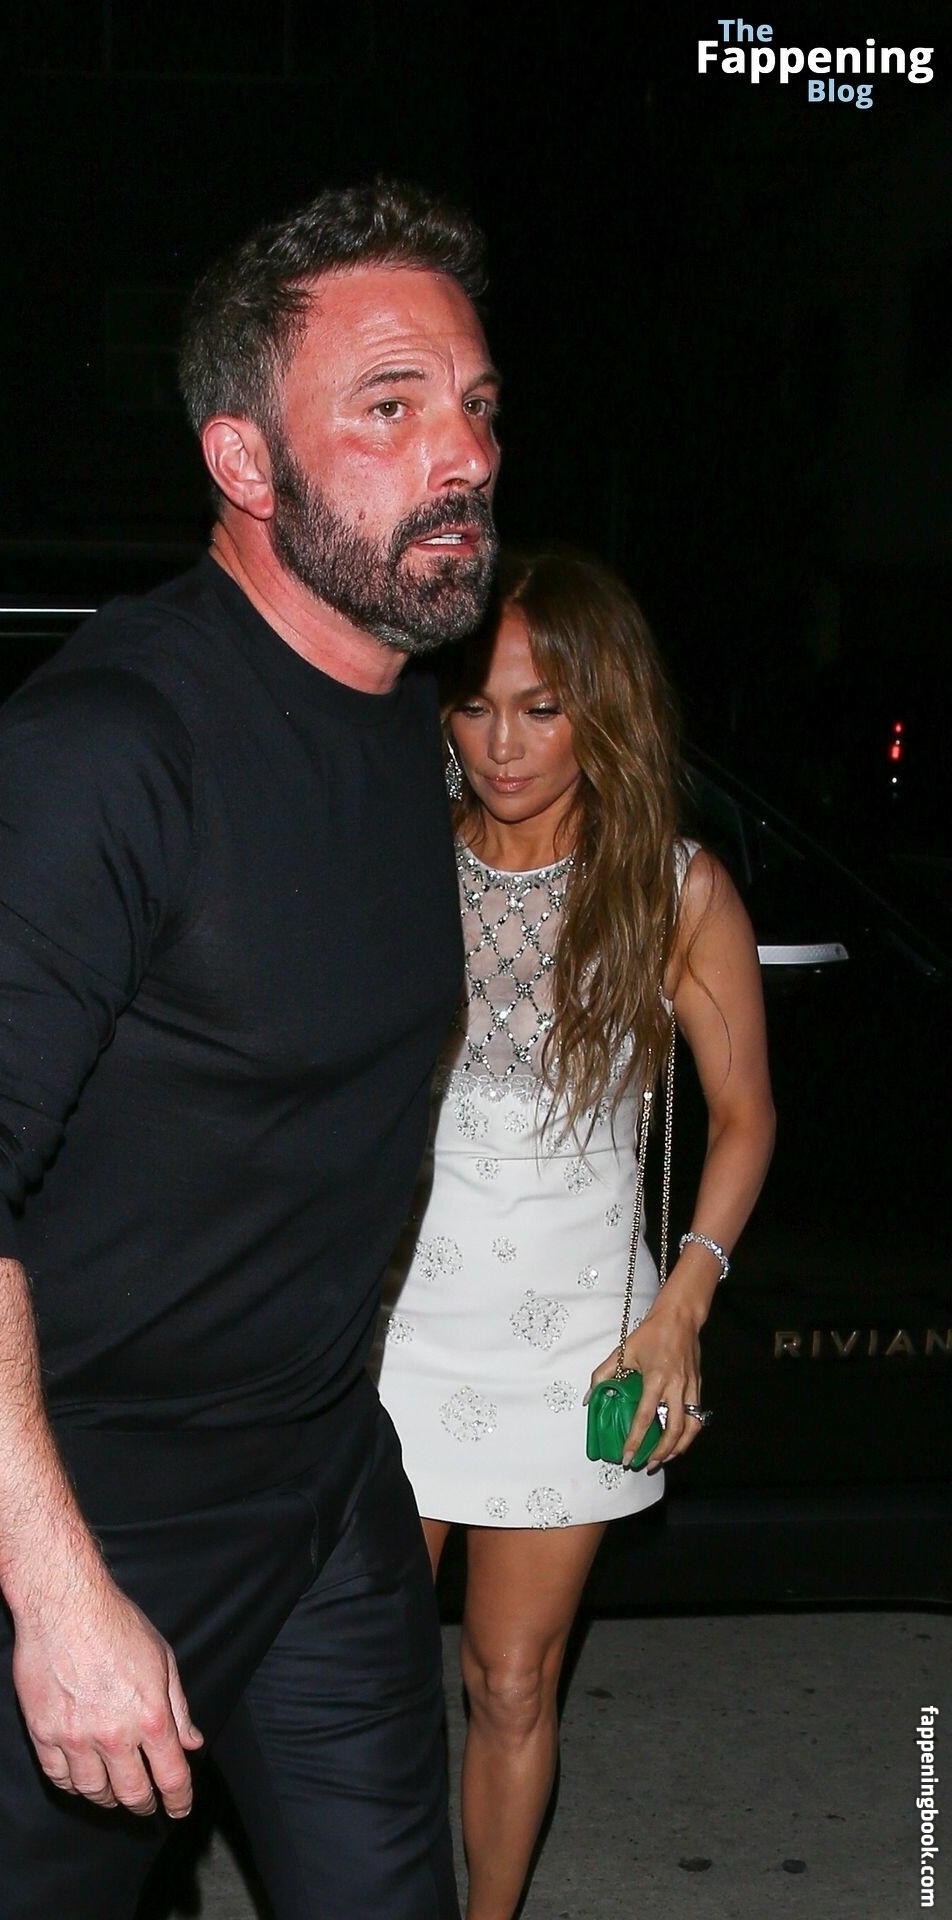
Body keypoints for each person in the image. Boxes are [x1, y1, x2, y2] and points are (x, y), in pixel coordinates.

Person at [0, 179, 502, 1920]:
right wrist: (57, 1597)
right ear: (242, 462)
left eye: (474, 404)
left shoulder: (398, 720)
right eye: (390, 408)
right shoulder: (110, 747)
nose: (462, 454)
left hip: (321, 1493)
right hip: (83, 1526)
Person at [375, 551, 776, 1920]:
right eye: (475, 705)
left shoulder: (671, 888)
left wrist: (681, 1309)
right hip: (393, 1336)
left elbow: (744, 1118)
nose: (502, 743)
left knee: (511, 1678)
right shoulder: (396, 860)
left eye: (542, 709)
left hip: (575, 1343)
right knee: (357, 1680)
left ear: (602, 712)